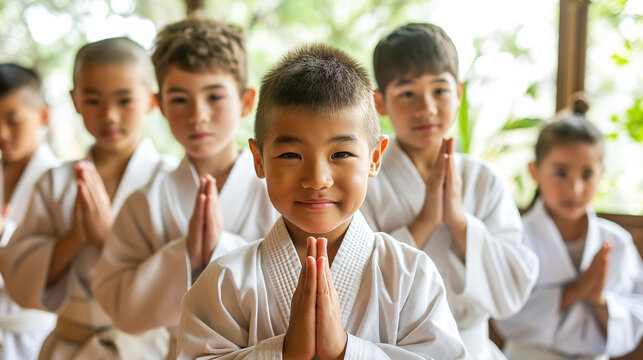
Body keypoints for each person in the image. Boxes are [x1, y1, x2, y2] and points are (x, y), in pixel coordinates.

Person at [176, 43, 467, 359]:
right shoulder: (225, 281)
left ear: (374, 157)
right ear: (258, 160)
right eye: (291, 155)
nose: (316, 179)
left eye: (341, 154)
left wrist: (345, 351)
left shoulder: (411, 274)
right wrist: (283, 353)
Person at [92, 17, 279, 357]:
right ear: (160, 104)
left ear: (246, 101)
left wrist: (217, 250)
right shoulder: (146, 201)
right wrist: (184, 256)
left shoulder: (278, 189)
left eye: (214, 96)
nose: (198, 115)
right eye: (179, 99)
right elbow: (117, 303)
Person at [361, 23, 539, 359]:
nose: (426, 107)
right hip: (395, 348)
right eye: (407, 93)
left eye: (439, 91)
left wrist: (458, 222)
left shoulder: (483, 180)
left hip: (473, 345)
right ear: (379, 103)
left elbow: (513, 286)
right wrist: (426, 220)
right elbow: (355, 280)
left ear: (458, 93)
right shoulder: (367, 180)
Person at [0, 38, 173, 359]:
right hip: (67, 344)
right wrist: (76, 236)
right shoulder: (55, 182)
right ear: (75, 100)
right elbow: (19, 272)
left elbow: (181, 278)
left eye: (124, 101)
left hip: (143, 348)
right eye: (93, 100)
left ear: (152, 101)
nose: (109, 115)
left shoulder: (168, 180)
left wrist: (105, 235)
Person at [493, 96, 643, 360]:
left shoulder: (616, 242)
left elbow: (634, 321)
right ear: (534, 170)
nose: (574, 189)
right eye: (561, 173)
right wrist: (576, 291)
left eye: (587, 175)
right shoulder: (515, 238)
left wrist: (599, 300)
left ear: (601, 174)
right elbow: (504, 316)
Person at [0, 63, 58, 360]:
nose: (2, 133)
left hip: (35, 335)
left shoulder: (61, 183)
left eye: (14, 121)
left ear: (42, 116)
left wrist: (5, 239)